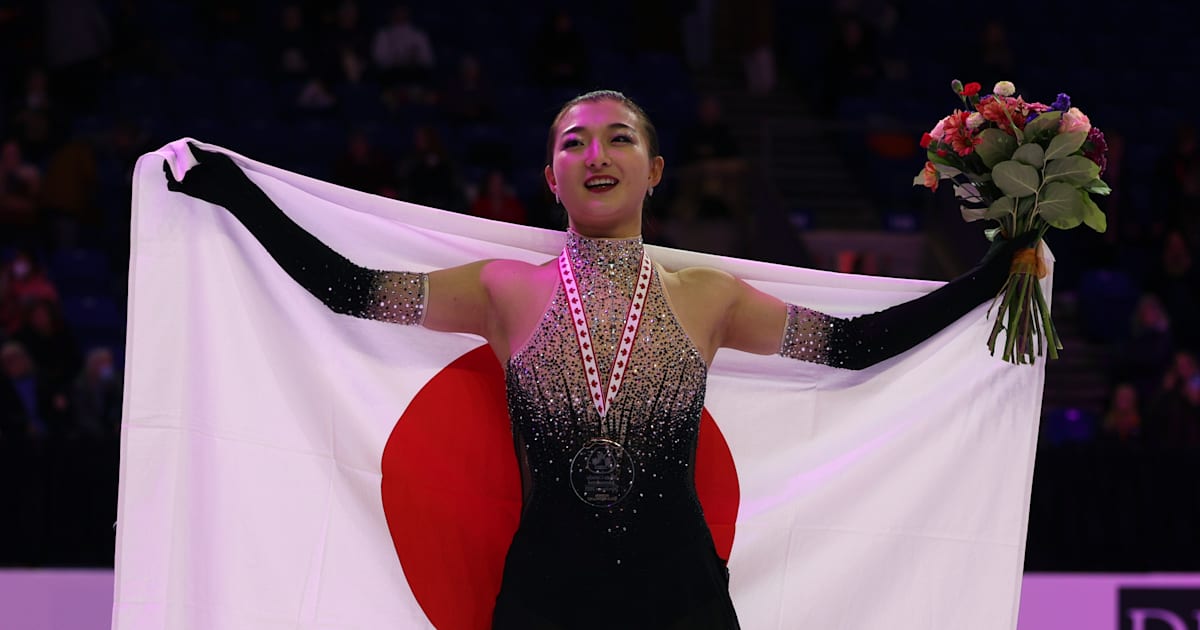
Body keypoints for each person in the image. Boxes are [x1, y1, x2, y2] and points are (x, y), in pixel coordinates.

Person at [164, 90, 1033, 629]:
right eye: (574, 141)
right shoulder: (503, 290)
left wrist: (987, 278)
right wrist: (235, 192)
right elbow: (352, 290)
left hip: (683, 604)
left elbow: (849, 346)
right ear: (550, 176)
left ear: (655, 170)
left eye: (618, 138)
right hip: (545, 604)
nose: (596, 154)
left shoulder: (707, 293)